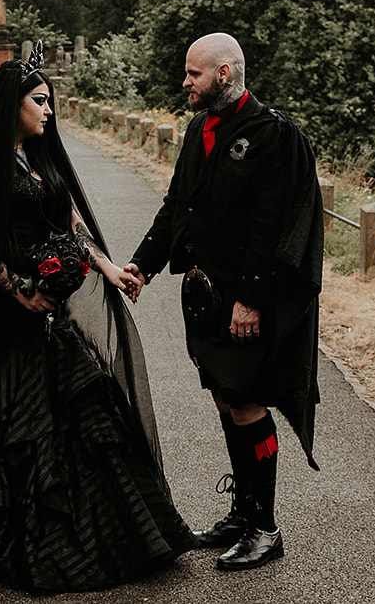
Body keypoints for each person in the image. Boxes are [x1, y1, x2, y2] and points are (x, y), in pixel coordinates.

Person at [0, 51, 196, 591]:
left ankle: (105, 536)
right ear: (12, 104)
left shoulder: (42, 157)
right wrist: (17, 290)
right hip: (6, 314)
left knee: (84, 416)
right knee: (9, 421)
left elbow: (71, 223)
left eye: (51, 102)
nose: (50, 111)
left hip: (52, 310)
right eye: (41, 101)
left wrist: (108, 267)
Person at [123, 32, 323, 572]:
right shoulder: (199, 129)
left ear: (225, 73)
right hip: (206, 298)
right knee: (225, 398)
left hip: (246, 300)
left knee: (247, 400)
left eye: (194, 73)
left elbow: (271, 226)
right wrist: (142, 263)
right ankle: (242, 513)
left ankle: (265, 527)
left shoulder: (272, 135)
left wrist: (252, 300)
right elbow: (176, 207)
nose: (185, 82)